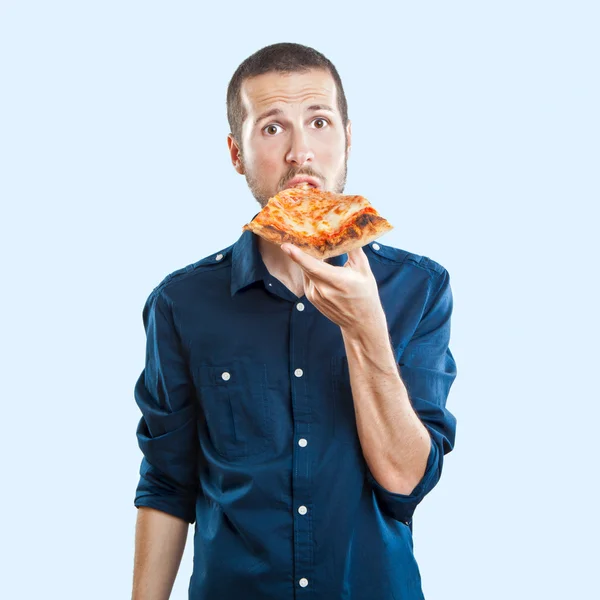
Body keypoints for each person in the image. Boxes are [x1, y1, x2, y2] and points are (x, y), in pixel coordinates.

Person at [131, 42, 458, 600]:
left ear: (348, 137)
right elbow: (167, 484)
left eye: (320, 121)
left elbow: (405, 483)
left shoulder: (418, 288)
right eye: (272, 128)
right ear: (236, 153)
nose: (300, 152)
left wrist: (365, 332)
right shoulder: (181, 303)